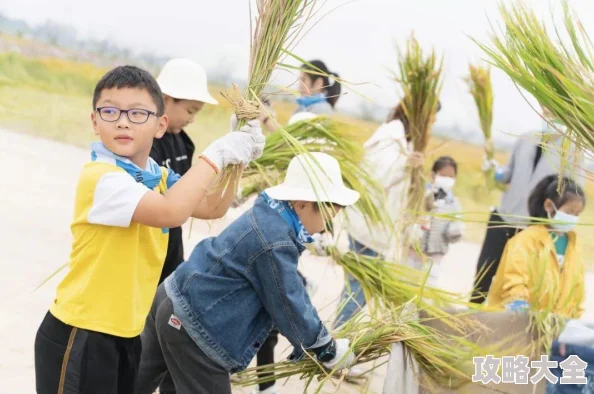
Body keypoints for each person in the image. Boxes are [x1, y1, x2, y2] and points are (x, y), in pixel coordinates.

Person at [33, 65, 265, 394]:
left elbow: (213, 206)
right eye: (110, 111)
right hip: (81, 332)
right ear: (95, 121)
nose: (123, 121)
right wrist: (217, 154)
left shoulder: (156, 176)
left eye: (138, 113)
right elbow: (171, 212)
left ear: (160, 125)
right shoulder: (102, 178)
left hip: (127, 335)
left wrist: (237, 160)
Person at [135, 152, 360, 394]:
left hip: (172, 298)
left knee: (135, 383)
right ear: (302, 204)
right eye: (327, 218)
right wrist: (326, 347)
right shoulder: (275, 242)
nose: (325, 228)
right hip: (194, 322)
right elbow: (289, 302)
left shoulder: (270, 210)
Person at [334, 101, 436, 328]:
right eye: (432, 119)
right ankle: (334, 345)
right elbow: (375, 179)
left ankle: (336, 343)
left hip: (375, 229)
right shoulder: (391, 137)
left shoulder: (404, 141)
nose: (432, 125)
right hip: (368, 228)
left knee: (357, 289)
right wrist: (405, 165)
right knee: (358, 291)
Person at [471, 118, 584, 304]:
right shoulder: (526, 139)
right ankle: (471, 321)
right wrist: (494, 171)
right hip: (504, 216)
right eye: (545, 108)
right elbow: (508, 174)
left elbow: (574, 190)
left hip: (532, 226)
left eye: (552, 109)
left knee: (517, 282)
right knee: (483, 274)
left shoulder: (571, 150)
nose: (548, 114)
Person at [151, 58, 220, 286]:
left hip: (171, 249)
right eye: (190, 110)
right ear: (165, 99)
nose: (192, 118)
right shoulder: (146, 143)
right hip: (148, 248)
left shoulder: (183, 143)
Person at [486, 175, 585, 318]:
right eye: (568, 212)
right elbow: (514, 279)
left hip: (556, 329)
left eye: (577, 214)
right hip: (519, 323)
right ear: (549, 206)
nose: (573, 218)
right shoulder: (525, 241)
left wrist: (573, 320)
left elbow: (577, 293)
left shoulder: (574, 246)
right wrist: (523, 311)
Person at [408, 156, 463, 288]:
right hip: (415, 248)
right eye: (444, 175)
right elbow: (409, 215)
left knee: (429, 284)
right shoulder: (421, 194)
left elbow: (457, 227)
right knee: (409, 279)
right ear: (433, 175)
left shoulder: (453, 203)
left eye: (451, 176)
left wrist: (454, 231)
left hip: (436, 251)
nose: (448, 179)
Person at [261, 59, 340, 132]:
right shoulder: (303, 107)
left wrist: (266, 119)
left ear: (318, 83)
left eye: (304, 80)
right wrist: (268, 114)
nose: (299, 87)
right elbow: (288, 132)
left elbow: (291, 140)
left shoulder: (322, 110)